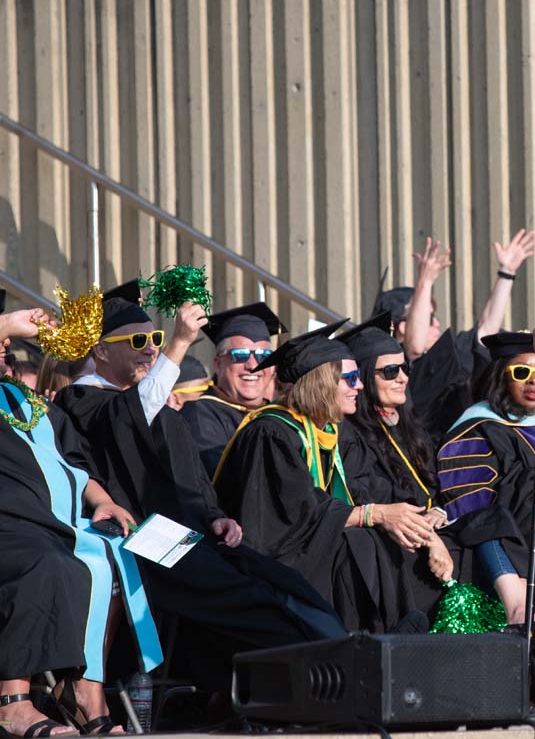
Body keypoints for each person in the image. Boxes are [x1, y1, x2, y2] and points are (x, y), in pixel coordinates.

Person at [56, 297, 344, 695]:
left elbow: (186, 478)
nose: (151, 348)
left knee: (278, 582)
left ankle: (322, 673)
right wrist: (179, 341)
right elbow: (132, 413)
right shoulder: (81, 401)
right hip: (140, 538)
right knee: (248, 600)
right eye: (138, 339)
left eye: (155, 338)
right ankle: (307, 688)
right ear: (101, 350)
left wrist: (212, 515)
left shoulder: (146, 403)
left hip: (186, 531)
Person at [0, 300, 161, 737]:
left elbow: (74, 461)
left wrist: (103, 500)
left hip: (48, 523)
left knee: (108, 553)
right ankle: (12, 701)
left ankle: (84, 690)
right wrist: (8, 323)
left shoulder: (22, 398)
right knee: (42, 558)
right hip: (10, 529)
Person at [214, 323, 435, 633]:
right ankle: (364, 641)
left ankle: (392, 635)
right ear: (321, 383)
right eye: (349, 378)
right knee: (358, 540)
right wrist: (372, 514)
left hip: (310, 549)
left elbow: (366, 488)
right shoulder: (272, 432)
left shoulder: (331, 431)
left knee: (377, 537)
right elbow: (289, 515)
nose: (358, 387)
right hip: (273, 558)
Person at [435, 331, 535, 644]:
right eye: (521, 372)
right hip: (517, 543)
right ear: (502, 378)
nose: (533, 382)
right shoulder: (477, 428)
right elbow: (480, 513)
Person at [337, 312, 455, 611]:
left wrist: (439, 510)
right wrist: (428, 535)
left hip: (427, 533)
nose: (402, 377)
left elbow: (434, 488)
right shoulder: (349, 436)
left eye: (404, 368)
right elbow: (372, 500)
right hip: (395, 544)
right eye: (390, 371)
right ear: (363, 378)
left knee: (495, 522)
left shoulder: (410, 428)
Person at [374, 229, 535, 441]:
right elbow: (414, 347)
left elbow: (486, 330)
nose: (438, 323)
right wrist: (424, 282)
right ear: (402, 327)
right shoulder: (401, 372)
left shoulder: (451, 355)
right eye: (430, 318)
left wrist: (507, 272)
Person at [181, 303, 284, 477]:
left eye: (263, 356)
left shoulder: (280, 414)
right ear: (218, 364)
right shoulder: (199, 414)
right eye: (240, 355)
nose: (252, 366)